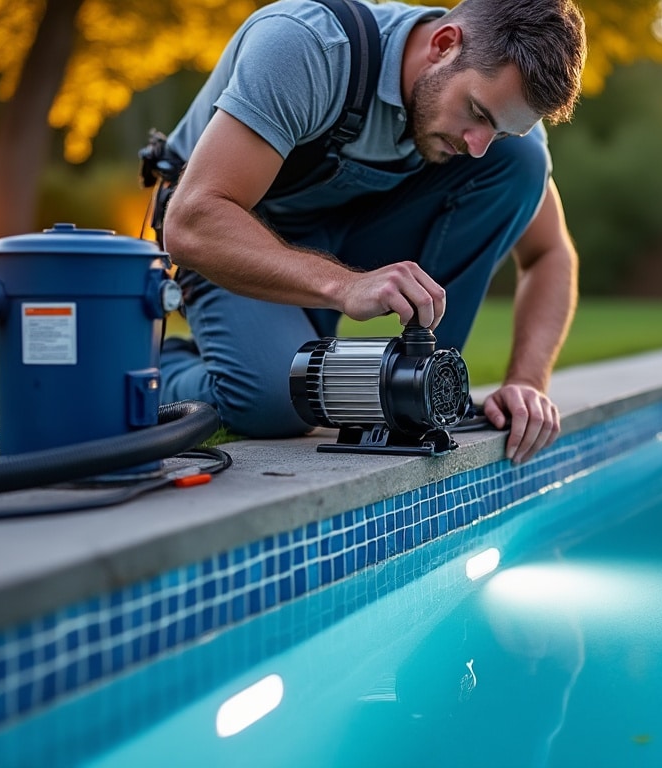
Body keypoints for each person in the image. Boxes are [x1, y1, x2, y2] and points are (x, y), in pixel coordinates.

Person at [157, 0, 586, 464]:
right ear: (444, 45)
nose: (478, 146)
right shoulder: (309, 48)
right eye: (478, 113)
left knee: (523, 163)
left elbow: (549, 254)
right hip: (233, 231)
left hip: (347, 232)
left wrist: (527, 381)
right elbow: (191, 222)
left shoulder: (493, 135)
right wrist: (344, 285)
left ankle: (423, 389)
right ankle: (157, 367)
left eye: (501, 131)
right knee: (279, 402)